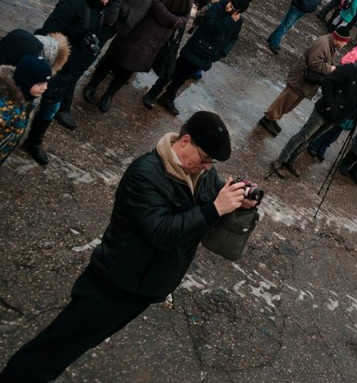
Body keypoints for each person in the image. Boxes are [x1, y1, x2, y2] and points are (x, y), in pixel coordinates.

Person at [0, 111, 254, 382]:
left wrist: (239, 200)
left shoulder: (202, 174)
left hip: (145, 286)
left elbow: (210, 200)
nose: (207, 168)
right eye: (204, 159)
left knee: (81, 343)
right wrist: (215, 208)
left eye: (210, 163)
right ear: (184, 141)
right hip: (113, 287)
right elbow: (162, 232)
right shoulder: (144, 174)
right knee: (55, 349)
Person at [19, 0, 123, 163]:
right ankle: (13, 131)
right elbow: (48, 34)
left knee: (51, 107)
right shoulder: (72, 3)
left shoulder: (99, 8)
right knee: (28, 103)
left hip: (68, 68)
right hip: (51, 64)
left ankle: (34, 141)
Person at [84, 0, 195, 112]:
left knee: (130, 67)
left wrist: (181, 21)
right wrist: (174, 21)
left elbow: (186, 14)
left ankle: (110, 94)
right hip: (140, 29)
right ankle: (92, 84)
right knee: (115, 58)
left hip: (159, 38)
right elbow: (155, 3)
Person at [271, 50, 357, 178]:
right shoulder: (349, 69)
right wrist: (331, 105)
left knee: (311, 139)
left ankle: (291, 160)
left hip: (337, 118)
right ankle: (281, 160)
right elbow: (328, 82)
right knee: (303, 135)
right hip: (324, 110)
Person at [142, 0, 251, 116]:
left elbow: (233, 38)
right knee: (174, 71)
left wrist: (222, 52)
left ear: (238, 12)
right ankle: (153, 92)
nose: (228, 8)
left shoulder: (238, 21)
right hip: (196, 47)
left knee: (184, 76)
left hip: (208, 55)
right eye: (230, 4)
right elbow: (212, 28)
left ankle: (168, 97)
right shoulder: (216, 8)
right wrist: (229, 20)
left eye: (232, 8)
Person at [266, 0, 337, 54]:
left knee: (288, 25)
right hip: (297, 7)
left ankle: (271, 39)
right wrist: (305, 4)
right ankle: (274, 44)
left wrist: (312, 8)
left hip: (303, 10)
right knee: (286, 25)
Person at [0, 56, 51, 167]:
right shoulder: (5, 110)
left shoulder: (25, 98)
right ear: (25, 82)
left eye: (46, 82)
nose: (45, 87)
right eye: (39, 84)